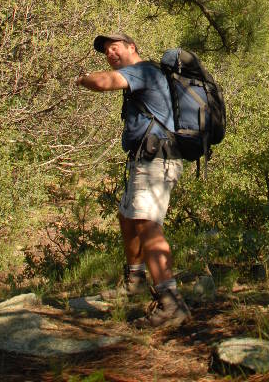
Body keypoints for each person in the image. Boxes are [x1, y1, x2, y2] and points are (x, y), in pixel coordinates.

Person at [75, 31, 190, 328]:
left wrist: (82, 79)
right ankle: (135, 281)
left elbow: (103, 82)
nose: (110, 54)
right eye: (106, 52)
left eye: (114, 48)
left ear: (131, 47)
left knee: (147, 224)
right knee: (127, 217)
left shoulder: (143, 71)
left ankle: (171, 303)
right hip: (144, 160)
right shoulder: (141, 75)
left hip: (156, 161)